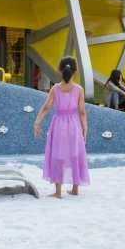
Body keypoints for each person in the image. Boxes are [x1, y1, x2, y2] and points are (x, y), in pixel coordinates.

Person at [33, 56, 90, 198]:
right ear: (75, 71)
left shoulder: (55, 88)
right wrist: (85, 128)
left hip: (58, 125)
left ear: (60, 70)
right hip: (74, 125)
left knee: (58, 155)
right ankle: (75, 188)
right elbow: (82, 111)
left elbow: (46, 107)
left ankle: (58, 192)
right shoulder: (79, 89)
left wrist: (37, 122)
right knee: (75, 153)